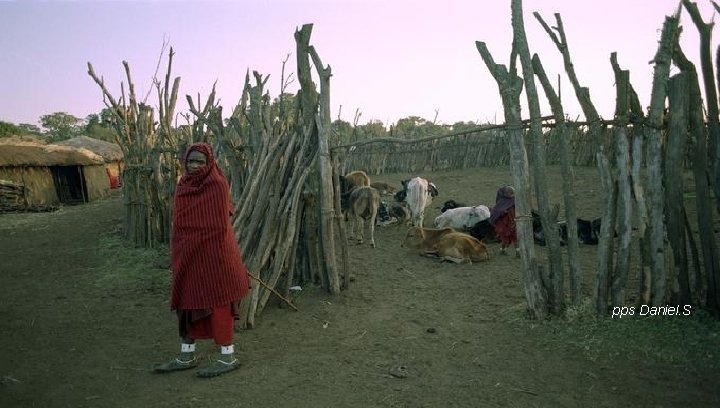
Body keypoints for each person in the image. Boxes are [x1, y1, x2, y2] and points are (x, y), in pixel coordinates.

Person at [153, 142, 251, 378]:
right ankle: (186, 355)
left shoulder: (217, 185)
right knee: (187, 302)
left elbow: (217, 227)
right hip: (188, 254)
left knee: (219, 303)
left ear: (209, 163)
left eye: (200, 161)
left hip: (215, 257)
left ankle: (227, 358)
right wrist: (183, 248)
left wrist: (199, 244)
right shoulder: (183, 186)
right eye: (190, 161)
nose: (194, 166)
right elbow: (181, 224)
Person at [489, 185, 519, 256]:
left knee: (512, 237)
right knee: (508, 237)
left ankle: (517, 251)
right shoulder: (503, 203)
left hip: (510, 223)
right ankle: (504, 250)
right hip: (506, 224)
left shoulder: (512, 202)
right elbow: (497, 213)